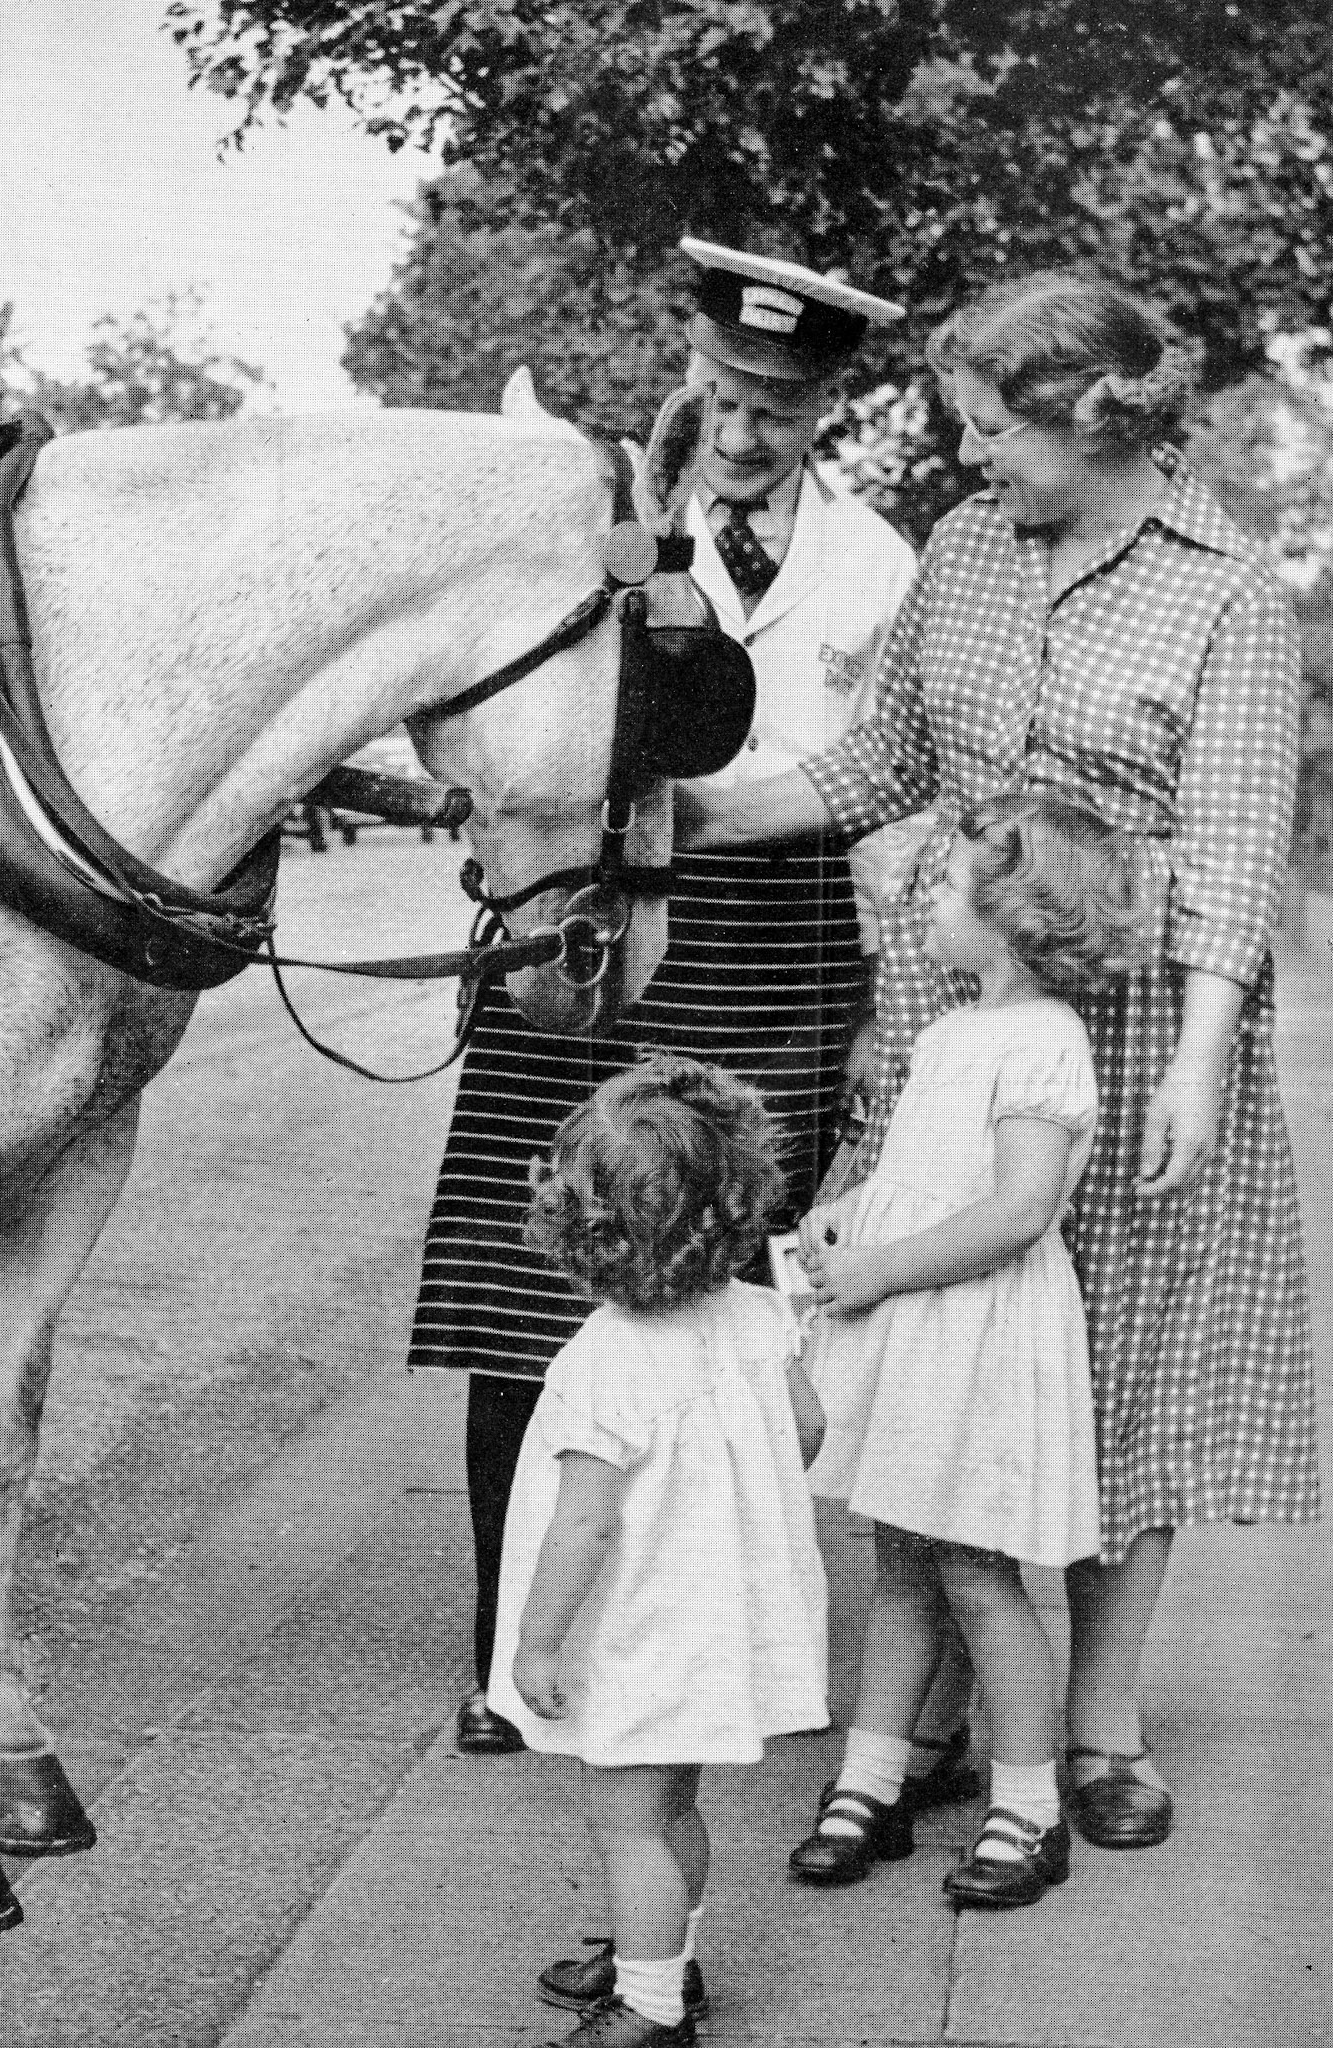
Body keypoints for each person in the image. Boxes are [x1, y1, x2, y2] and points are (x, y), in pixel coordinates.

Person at [675, 270, 1321, 1853]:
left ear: (1092, 415)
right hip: (941, 1019)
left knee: (1121, 1370)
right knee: (937, 1342)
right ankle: (948, 1708)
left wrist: (1200, 1061)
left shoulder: (1229, 587)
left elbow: (1240, 849)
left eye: (984, 426)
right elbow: (879, 757)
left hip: (1148, 1025)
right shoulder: (966, 550)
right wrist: (680, 815)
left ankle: (1097, 1722)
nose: (966, 457)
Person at [408, 239, 967, 1785]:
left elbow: (893, 792)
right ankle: (503, 1655)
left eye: (778, 408)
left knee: (735, 1306)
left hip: (783, 945)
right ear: (691, 367)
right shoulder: (590, 525)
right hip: (588, 931)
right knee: (529, 1303)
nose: (740, 432)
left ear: (827, 406)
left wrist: (882, 1010)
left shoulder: (880, 564)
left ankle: (713, 1640)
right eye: (724, 393)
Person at [788, 795, 1140, 1909]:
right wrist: (848, 1215)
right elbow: (914, 1176)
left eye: (944, 888)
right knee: (899, 1561)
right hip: (918, 1332)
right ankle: (873, 1775)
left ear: (1015, 915)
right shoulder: (946, 1032)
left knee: (981, 1576)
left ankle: (1029, 1805)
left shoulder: (1045, 1041)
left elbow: (1017, 1209)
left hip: (980, 1335)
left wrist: (886, 1268)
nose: (925, 902)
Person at [488, 1056, 828, 2047]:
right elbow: (807, 1427)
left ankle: (647, 2008)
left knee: (628, 1817)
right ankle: (664, 1958)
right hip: (717, 1609)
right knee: (674, 1803)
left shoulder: (606, 1356)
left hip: (642, 1623)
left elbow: (584, 1521)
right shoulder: (763, 1315)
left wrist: (539, 1643)